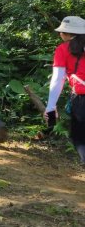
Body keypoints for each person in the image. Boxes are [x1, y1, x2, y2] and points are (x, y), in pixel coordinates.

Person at [45, 16, 85, 165]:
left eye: (61, 32)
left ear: (66, 34)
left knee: (79, 137)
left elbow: (57, 79)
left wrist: (50, 107)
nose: (60, 34)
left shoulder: (63, 49)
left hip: (81, 98)